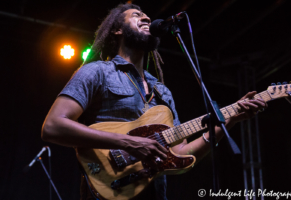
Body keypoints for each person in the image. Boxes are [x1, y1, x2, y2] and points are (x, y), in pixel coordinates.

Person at [41, 3, 267, 200]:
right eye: (136, 16)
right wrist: (128, 143)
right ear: (117, 30)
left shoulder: (162, 92)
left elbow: (181, 152)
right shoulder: (97, 72)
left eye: (146, 15)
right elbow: (53, 126)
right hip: (109, 189)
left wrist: (230, 120)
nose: (147, 17)